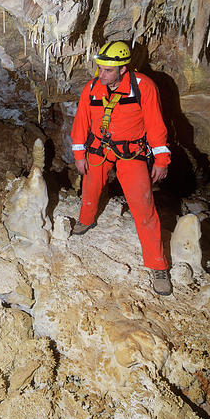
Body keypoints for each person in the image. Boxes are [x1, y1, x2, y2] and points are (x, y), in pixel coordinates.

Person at [70, 41, 173, 296]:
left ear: (123, 69)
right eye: (100, 68)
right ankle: (86, 221)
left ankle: (158, 266)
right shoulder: (92, 88)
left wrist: (161, 159)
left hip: (131, 153)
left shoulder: (143, 87)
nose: (100, 74)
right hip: (98, 149)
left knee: (143, 205)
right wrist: (79, 154)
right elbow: (81, 121)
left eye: (107, 70)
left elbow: (155, 123)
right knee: (90, 188)